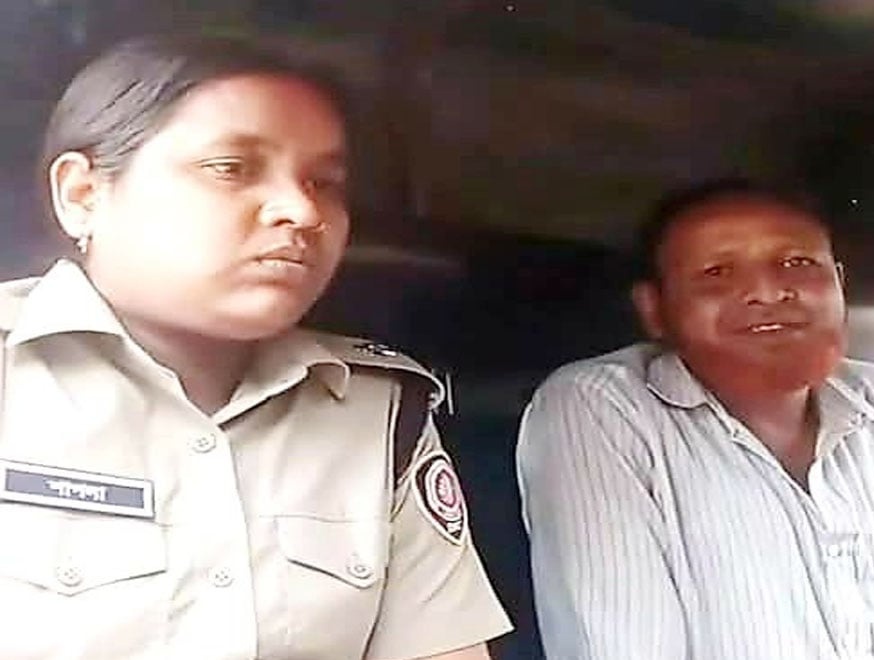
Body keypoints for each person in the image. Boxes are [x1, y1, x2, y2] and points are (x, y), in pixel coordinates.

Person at [0, 35, 511, 659]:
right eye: (231, 168)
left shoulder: (377, 413)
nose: (302, 210)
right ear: (82, 195)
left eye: (324, 182)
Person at [516, 178, 874, 659]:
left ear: (838, 282)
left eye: (796, 263)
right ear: (655, 310)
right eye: (716, 272)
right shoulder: (602, 410)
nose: (767, 291)